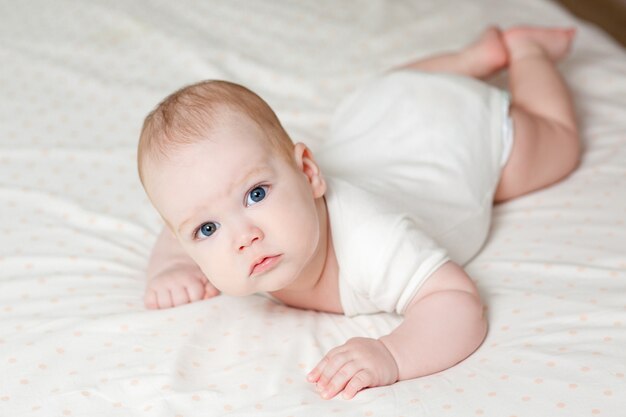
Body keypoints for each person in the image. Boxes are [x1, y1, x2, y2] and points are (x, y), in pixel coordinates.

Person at [136, 26, 580, 400]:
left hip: (451, 133)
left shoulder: (371, 239)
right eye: (207, 229)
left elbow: (457, 302)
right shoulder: (221, 220)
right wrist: (171, 266)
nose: (243, 236)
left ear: (308, 173)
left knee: (558, 146)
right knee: (390, 92)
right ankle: (473, 56)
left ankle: (525, 50)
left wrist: (392, 354)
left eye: (255, 194)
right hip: (382, 106)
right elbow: (178, 221)